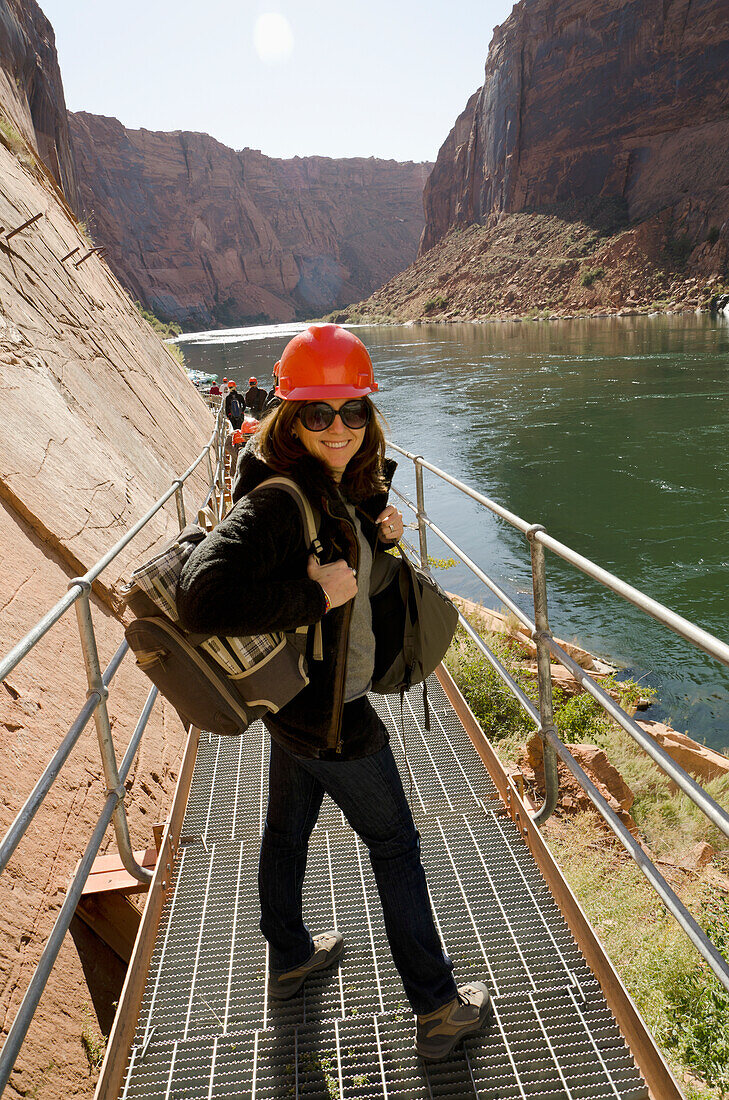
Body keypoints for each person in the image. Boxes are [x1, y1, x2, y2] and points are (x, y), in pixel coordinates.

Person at [176, 323, 490, 1061]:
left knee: (285, 834)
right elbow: (199, 598)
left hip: (294, 710)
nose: (338, 427)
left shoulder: (332, 488)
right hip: (334, 721)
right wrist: (312, 598)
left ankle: (289, 956)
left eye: (352, 410)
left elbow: (346, 568)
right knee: (397, 848)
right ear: (289, 419)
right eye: (317, 413)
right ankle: (438, 1008)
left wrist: (374, 540)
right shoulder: (280, 502)